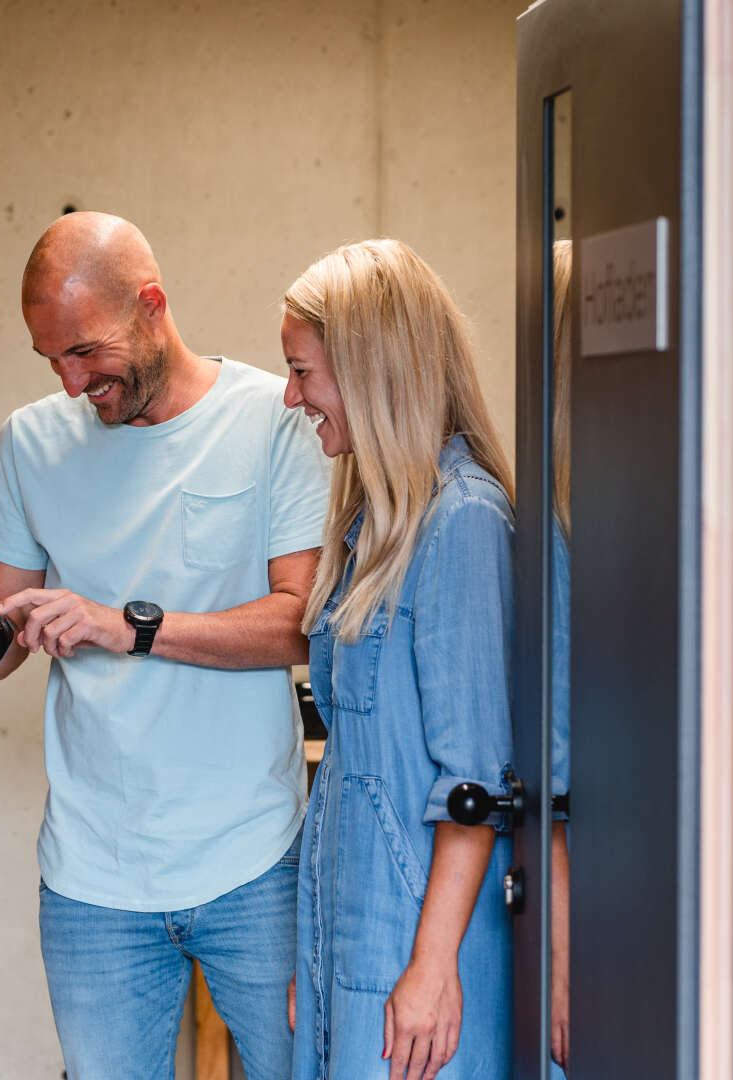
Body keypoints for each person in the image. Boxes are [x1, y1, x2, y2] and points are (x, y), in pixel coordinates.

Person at [0, 211, 330, 1080]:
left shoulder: (273, 420)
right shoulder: (31, 442)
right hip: (91, 879)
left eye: (86, 353)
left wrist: (127, 625)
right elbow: (2, 641)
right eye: (50, 358)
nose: (72, 382)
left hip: (256, 857)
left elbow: (299, 625)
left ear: (152, 306)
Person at [280, 238, 516, 1080]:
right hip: (354, 933)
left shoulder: (465, 522)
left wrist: (431, 968)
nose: (290, 395)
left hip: (422, 948)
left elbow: (476, 781)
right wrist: (315, 960)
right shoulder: (372, 528)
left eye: (303, 372)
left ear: (372, 371)